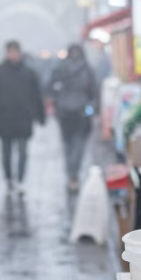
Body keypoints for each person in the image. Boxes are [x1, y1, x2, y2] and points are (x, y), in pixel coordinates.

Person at [0, 40, 46, 194]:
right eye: (10, 52)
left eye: (14, 51)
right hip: (5, 118)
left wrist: (40, 115)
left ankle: (20, 180)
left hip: (23, 118)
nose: (12, 55)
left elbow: (36, 95)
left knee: (23, 151)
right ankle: (8, 179)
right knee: (6, 153)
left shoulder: (28, 73)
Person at [49, 44, 98, 192]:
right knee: (78, 145)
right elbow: (93, 92)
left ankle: (71, 173)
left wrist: (57, 107)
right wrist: (91, 110)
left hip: (64, 113)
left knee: (67, 145)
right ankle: (74, 175)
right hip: (81, 113)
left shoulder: (60, 68)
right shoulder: (87, 69)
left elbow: (52, 89)